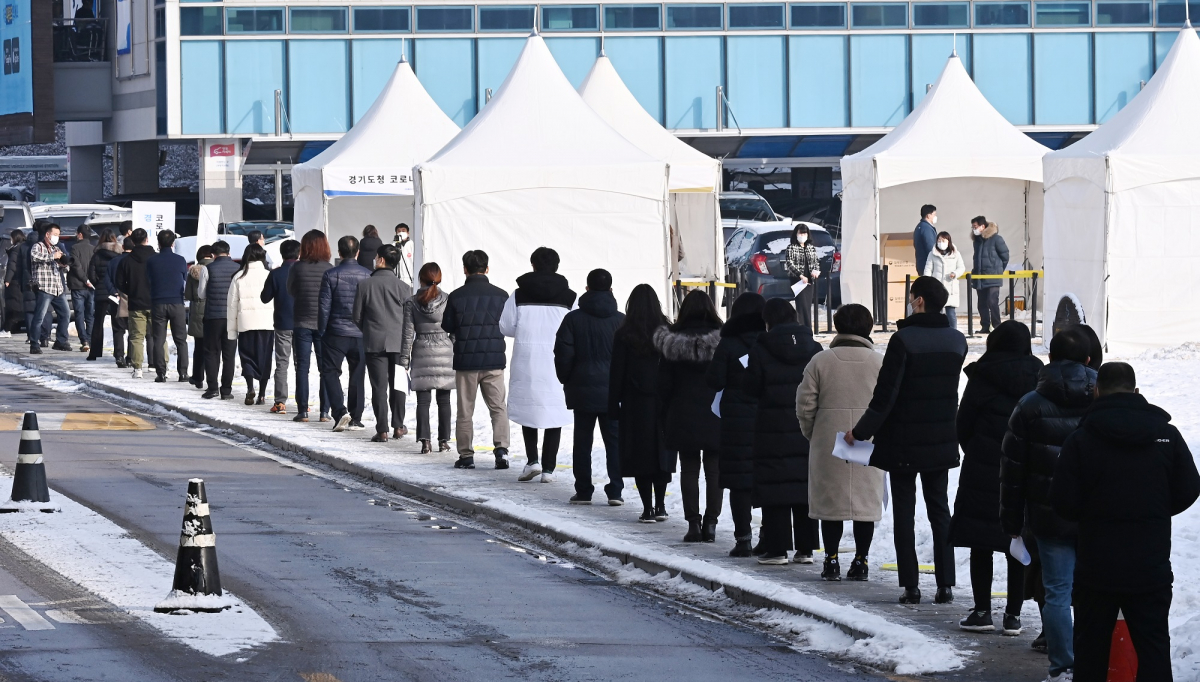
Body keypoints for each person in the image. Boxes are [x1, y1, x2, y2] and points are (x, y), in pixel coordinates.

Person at [1053, 362, 1200, 681]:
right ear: (1136, 391)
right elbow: (1190, 487)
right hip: (1150, 567)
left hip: (1097, 568)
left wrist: (1092, 514)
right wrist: (1156, 511)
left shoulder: (1081, 439)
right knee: (1154, 649)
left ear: (1096, 391)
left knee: (1090, 653)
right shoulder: (1166, 435)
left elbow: (1062, 501)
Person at [846, 275, 967, 603]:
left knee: (905, 511)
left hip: (903, 440)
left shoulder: (904, 341)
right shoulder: (957, 341)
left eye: (911, 297)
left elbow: (885, 396)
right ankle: (946, 585)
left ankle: (911, 585)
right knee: (940, 510)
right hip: (941, 437)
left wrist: (859, 432)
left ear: (920, 302)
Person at [1000, 327, 1096, 682]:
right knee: (1093, 591)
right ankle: (1091, 662)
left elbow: (1012, 471)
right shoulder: (1102, 399)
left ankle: (1064, 667)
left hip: (1048, 514)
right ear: (1089, 360)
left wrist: (1011, 523)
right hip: (1095, 515)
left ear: (1050, 357)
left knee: (1056, 591)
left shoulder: (1030, 405)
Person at [951, 320, 1043, 634]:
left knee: (982, 541)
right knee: (1016, 538)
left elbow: (963, 423)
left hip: (984, 467)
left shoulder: (983, 375)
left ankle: (982, 611)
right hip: (1026, 469)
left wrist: (978, 451)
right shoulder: (1038, 375)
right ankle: (1014, 615)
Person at [797, 303, 885, 580]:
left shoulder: (820, 361)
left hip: (828, 439)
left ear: (837, 326)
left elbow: (805, 404)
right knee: (864, 504)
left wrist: (814, 433)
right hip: (866, 439)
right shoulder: (879, 362)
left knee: (830, 504)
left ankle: (831, 559)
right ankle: (861, 560)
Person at [746, 298, 823, 565]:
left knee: (774, 485)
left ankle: (777, 549)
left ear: (768, 321)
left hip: (771, 426)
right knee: (804, 483)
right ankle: (806, 548)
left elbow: (751, 388)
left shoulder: (760, 349)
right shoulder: (814, 348)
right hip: (807, 425)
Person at [501, 247, 577, 483]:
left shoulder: (518, 294)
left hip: (527, 356)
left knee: (529, 409)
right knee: (554, 411)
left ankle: (532, 460)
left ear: (532, 265)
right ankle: (549, 469)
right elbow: (574, 327)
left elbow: (505, 326)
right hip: (557, 358)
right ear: (557, 266)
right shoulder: (570, 297)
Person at [655, 290, 723, 542]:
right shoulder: (722, 338)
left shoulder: (672, 341)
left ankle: (693, 524)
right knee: (715, 470)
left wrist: (666, 411)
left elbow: (663, 384)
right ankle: (712, 523)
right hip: (715, 411)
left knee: (689, 469)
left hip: (682, 411)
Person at [554, 268, 625, 505]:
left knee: (582, 441)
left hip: (582, 387)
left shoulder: (573, 319)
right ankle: (615, 490)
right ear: (611, 290)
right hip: (613, 390)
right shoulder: (621, 321)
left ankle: (584, 489)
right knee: (613, 441)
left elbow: (562, 354)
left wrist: (568, 379)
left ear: (586, 289)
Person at [707, 292, 766, 557]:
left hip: (735, 422)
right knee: (767, 479)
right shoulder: (769, 342)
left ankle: (743, 539)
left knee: (739, 482)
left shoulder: (728, 344)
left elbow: (715, 380)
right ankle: (768, 536)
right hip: (767, 418)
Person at [441, 249, 510, 470]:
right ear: (487, 269)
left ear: (465, 270)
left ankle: (466, 455)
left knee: (465, 410)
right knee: (498, 408)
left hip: (466, 362)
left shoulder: (457, 296)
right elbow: (507, 325)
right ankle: (501, 450)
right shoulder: (501, 295)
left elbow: (447, 326)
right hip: (494, 361)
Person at [609, 284, 672, 523]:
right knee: (662, 454)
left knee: (640, 454)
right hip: (662, 401)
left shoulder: (624, 335)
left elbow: (616, 373)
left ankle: (647, 508)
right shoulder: (667, 332)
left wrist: (612, 406)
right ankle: (662, 505)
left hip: (634, 403)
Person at [354, 244, 412, 442]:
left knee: (378, 387)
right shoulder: (404, 288)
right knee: (399, 386)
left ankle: (382, 429)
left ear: (380, 260)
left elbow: (356, 316)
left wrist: (369, 329)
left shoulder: (365, 285)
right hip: (399, 343)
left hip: (374, 342)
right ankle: (398, 426)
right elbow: (409, 318)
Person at [400, 262, 455, 454]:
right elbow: (454, 329)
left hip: (421, 350)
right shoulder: (447, 299)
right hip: (445, 351)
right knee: (444, 400)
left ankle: (425, 442)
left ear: (420, 279)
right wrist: (452, 346)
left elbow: (408, 334)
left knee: (423, 401)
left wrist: (404, 361)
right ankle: (444, 441)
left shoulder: (411, 302)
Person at [319, 235, 371, 432]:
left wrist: (322, 330)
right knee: (357, 374)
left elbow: (324, 306)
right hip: (360, 332)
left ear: (339, 252)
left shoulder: (331, 275)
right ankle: (356, 417)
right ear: (357, 252)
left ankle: (340, 412)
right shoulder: (368, 275)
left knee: (330, 372)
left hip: (335, 331)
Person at [288, 230, 334, 422]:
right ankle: (325, 411)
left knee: (302, 367)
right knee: (326, 368)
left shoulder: (297, 268)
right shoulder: (329, 269)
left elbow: (291, 291)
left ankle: (303, 410)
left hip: (301, 321)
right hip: (325, 323)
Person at [227, 244, 274, 404]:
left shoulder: (239, 276)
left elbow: (232, 306)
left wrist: (231, 331)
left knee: (247, 357)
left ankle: (249, 387)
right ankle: (261, 394)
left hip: (245, 324)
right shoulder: (269, 275)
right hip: (267, 323)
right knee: (265, 359)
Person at [145, 230, 190, 383]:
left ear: (158, 243)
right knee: (181, 340)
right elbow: (184, 277)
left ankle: (161, 373)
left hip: (158, 302)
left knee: (159, 339)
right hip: (177, 302)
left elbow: (149, 279)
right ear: (173, 243)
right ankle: (183, 373)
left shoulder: (151, 261)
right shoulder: (180, 260)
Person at [198, 240, 240, 399]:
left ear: (213, 255)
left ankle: (212, 388)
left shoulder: (207, 269)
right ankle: (227, 390)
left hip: (213, 317)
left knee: (211, 352)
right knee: (229, 355)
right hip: (231, 317)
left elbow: (201, 294)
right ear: (229, 253)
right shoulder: (237, 269)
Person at [261, 239, 299, 412]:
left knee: (282, 363)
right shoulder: (303, 272)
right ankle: (302, 401)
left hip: (283, 323)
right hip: (303, 323)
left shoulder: (276, 274)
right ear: (299, 254)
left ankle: (280, 401)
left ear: (282, 254)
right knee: (302, 364)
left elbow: (265, 297)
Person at [116, 228, 156, 376]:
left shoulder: (126, 260)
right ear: (147, 239)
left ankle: (137, 368)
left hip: (135, 302)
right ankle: (160, 366)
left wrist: (131, 290)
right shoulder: (155, 258)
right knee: (158, 335)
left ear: (132, 241)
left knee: (136, 337)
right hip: (155, 301)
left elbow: (119, 282)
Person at [29, 223, 71, 354]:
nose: (57, 237)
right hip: (44, 287)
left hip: (58, 288)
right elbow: (35, 257)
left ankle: (61, 341)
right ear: (48, 234)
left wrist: (63, 263)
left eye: (58, 235)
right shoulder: (38, 246)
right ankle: (34, 344)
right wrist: (53, 256)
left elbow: (66, 266)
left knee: (65, 314)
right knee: (39, 317)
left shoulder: (57, 248)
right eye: (55, 234)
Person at [970, 217, 1009, 334]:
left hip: (993, 277)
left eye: (975, 227)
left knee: (992, 302)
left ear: (983, 226)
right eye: (972, 227)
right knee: (981, 303)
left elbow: (1005, 256)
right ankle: (985, 326)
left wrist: (998, 270)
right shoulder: (977, 241)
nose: (974, 229)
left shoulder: (996, 239)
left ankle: (997, 326)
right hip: (979, 277)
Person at [184, 245, 214, 386]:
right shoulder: (216, 269)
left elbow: (188, 295)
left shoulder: (193, 272)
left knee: (199, 347)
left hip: (197, 311)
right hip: (214, 309)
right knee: (213, 347)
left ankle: (197, 377)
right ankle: (212, 378)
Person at [923, 231, 965, 330]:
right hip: (936, 288)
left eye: (943, 240)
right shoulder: (932, 254)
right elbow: (928, 270)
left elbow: (961, 268)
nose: (941, 242)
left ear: (948, 241)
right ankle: (938, 331)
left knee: (951, 313)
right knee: (937, 312)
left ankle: (953, 332)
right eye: (939, 240)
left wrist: (955, 274)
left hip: (951, 288)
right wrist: (928, 283)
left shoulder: (956, 254)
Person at [784, 223, 821, 331]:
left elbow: (815, 262)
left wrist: (816, 271)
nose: (802, 235)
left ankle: (808, 328)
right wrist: (800, 275)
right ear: (796, 234)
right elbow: (790, 264)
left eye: (804, 233)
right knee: (801, 305)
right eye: (800, 233)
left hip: (809, 280)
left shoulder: (810, 247)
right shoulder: (791, 247)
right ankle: (803, 328)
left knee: (808, 305)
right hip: (798, 280)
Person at [106, 237, 134, 367]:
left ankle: (119, 356)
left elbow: (107, 280)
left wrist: (114, 292)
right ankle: (130, 357)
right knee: (133, 330)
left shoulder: (113, 262)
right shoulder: (134, 261)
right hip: (133, 299)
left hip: (116, 299)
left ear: (122, 247)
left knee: (118, 330)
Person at [67, 225, 95, 353]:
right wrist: (90, 281)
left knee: (79, 314)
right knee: (90, 314)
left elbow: (76, 266)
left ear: (80, 235)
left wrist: (85, 280)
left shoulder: (74, 248)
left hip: (78, 285)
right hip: (91, 287)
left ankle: (84, 340)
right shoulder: (94, 249)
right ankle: (89, 339)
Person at [3, 229, 25, 335]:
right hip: (21, 280)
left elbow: (12, 266)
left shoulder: (16, 249)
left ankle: (7, 329)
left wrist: (7, 279)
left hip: (15, 281)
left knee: (13, 307)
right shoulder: (24, 247)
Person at [914, 205, 937, 275]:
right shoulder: (926, 228)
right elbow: (930, 247)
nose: (935, 217)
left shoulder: (920, 227)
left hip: (921, 263)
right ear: (928, 216)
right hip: (928, 265)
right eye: (934, 214)